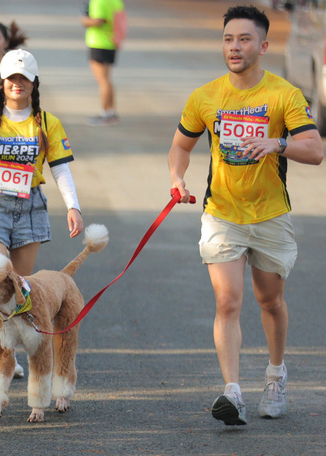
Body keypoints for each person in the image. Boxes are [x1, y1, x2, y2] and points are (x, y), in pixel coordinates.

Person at [168, 5, 323, 426]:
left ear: (264, 45)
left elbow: (315, 150)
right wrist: (178, 179)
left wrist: (278, 144)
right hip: (222, 214)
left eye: (244, 39)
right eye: (228, 39)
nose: (234, 47)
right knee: (227, 300)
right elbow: (180, 147)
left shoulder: (284, 95)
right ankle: (232, 391)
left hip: (270, 214)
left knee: (269, 301)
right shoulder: (206, 96)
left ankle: (275, 376)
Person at [0, 49, 85, 381]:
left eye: (24, 79)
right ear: (0, 81)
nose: (18, 84)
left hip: (30, 206)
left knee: (16, 289)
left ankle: (9, 353)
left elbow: (61, 169)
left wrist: (73, 206)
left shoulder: (46, 122)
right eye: (12, 78)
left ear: (34, 83)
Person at [80, 0, 125, 127]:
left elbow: (98, 20)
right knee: (107, 79)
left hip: (98, 43)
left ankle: (105, 114)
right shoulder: (116, 1)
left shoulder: (99, 1)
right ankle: (111, 112)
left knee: (103, 81)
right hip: (111, 42)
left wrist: (84, 20)